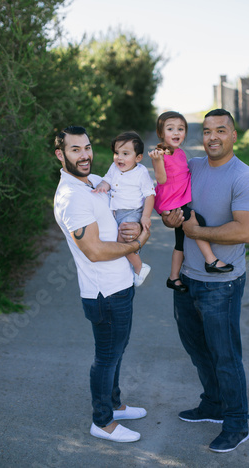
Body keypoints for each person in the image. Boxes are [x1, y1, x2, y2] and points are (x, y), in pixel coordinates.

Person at [162, 109, 249, 453]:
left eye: (221, 130)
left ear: (234, 135)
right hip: (188, 278)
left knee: (225, 355)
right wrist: (169, 218)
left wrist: (196, 230)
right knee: (198, 350)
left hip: (222, 284)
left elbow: (246, 230)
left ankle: (237, 423)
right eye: (206, 131)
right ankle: (214, 404)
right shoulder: (192, 166)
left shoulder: (245, 177)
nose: (213, 137)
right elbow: (171, 206)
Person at [54, 126, 150, 443]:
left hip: (122, 282)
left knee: (118, 350)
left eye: (88, 147)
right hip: (103, 293)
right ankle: (102, 421)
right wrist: (135, 248)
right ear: (61, 155)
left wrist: (137, 226)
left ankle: (114, 404)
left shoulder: (95, 182)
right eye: (75, 150)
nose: (85, 155)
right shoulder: (70, 197)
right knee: (106, 357)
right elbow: (94, 251)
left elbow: (128, 204)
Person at [148, 111, 233, 294]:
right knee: (198, 222)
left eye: (181, 129)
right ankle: (211, 260)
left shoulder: (178, 152)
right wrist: (157, 161)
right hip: (171, 204)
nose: (176, 132)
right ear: (161, 132)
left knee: (180, 243)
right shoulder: (161, 154)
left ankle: (173, 277)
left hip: (178, 202)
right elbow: (161, 180)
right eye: (170, 129)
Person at [93, 131, 155, 287]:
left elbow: (150, 195)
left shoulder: (140, 172)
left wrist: (145, 216)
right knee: (117, 240)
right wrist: (102, 186)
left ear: (138, 158)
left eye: (125, 153)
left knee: (122, 241)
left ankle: (139, 267)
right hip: (115, 212)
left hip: (132, 212)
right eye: (116, 152)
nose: (119, 157)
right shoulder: (114, 168)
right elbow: (107, 179)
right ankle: (129, 262)